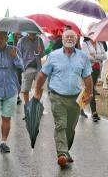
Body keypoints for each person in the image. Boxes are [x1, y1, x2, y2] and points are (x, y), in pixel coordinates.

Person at [34, 30, 93, 167]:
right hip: (57, 96)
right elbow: (42, 75)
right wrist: (37, 92)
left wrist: (89, 93)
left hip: (76, 98)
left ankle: (66, 151)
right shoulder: (53, 56)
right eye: (67, 36)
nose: (70, 38)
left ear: (76, 39)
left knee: (70, 128)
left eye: (73, 37)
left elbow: (87, 77)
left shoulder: (83, 57)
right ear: (62, 39)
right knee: (61, 124)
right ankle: (61, 153)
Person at [81, 37, 107, 121]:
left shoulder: (100, 44)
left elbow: (105, 56)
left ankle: (80, 108)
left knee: (88, 89)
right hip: (88, 69)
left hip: (97, 69)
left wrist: (94, 56)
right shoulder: (85, 44)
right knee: (91, 89)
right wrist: (98, 57)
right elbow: (86, 57)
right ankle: (94, 112)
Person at [17, 33, 44, 104]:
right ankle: (27, 105)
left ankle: (36, 104)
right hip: (27, 67)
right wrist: (22, 66)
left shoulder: (39, 40)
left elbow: (42, 54)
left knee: (40, 87)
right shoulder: (22, 41)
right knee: (25, 89)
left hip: (38, 67)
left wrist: (41, 51)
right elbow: (18, 55)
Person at [8, 32, 23, 104]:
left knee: (19, 80)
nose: (18, 33)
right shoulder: (10, 39)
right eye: (17, 32)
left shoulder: (22, 39)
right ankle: (12, 95)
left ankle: (17, 96)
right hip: (11, 63)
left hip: (20, 62)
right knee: (12, 79)